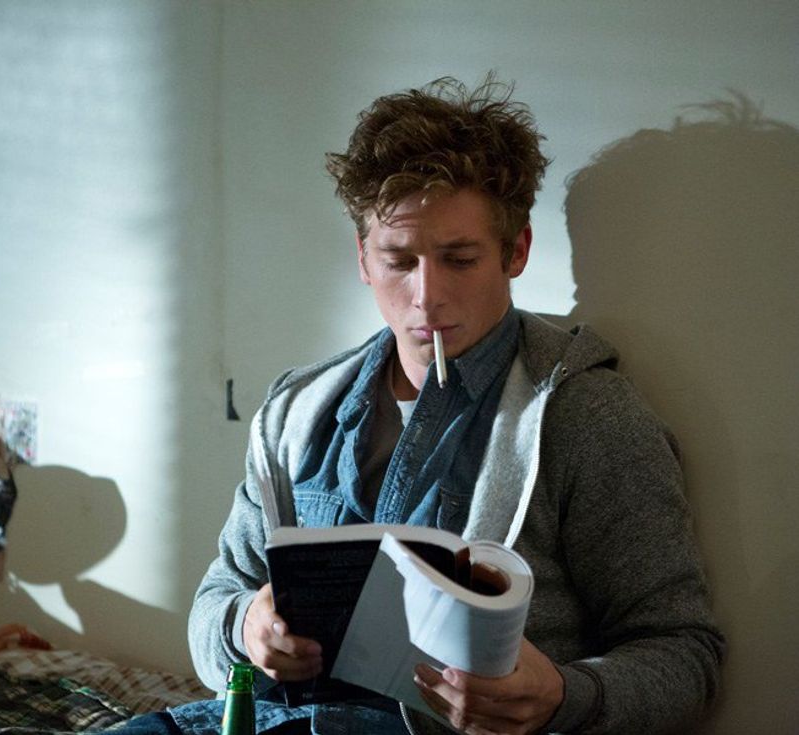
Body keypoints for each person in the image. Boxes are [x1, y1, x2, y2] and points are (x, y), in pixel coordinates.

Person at [128, 76, 725, 734]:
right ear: (363, 258)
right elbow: (219, 597)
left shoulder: (584, 417)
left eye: (459, 259)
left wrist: (562, 694)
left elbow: (685, 656)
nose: (426, 296)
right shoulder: (297, 410)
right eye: (398, 260)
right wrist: (246, 626)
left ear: (516, 251)